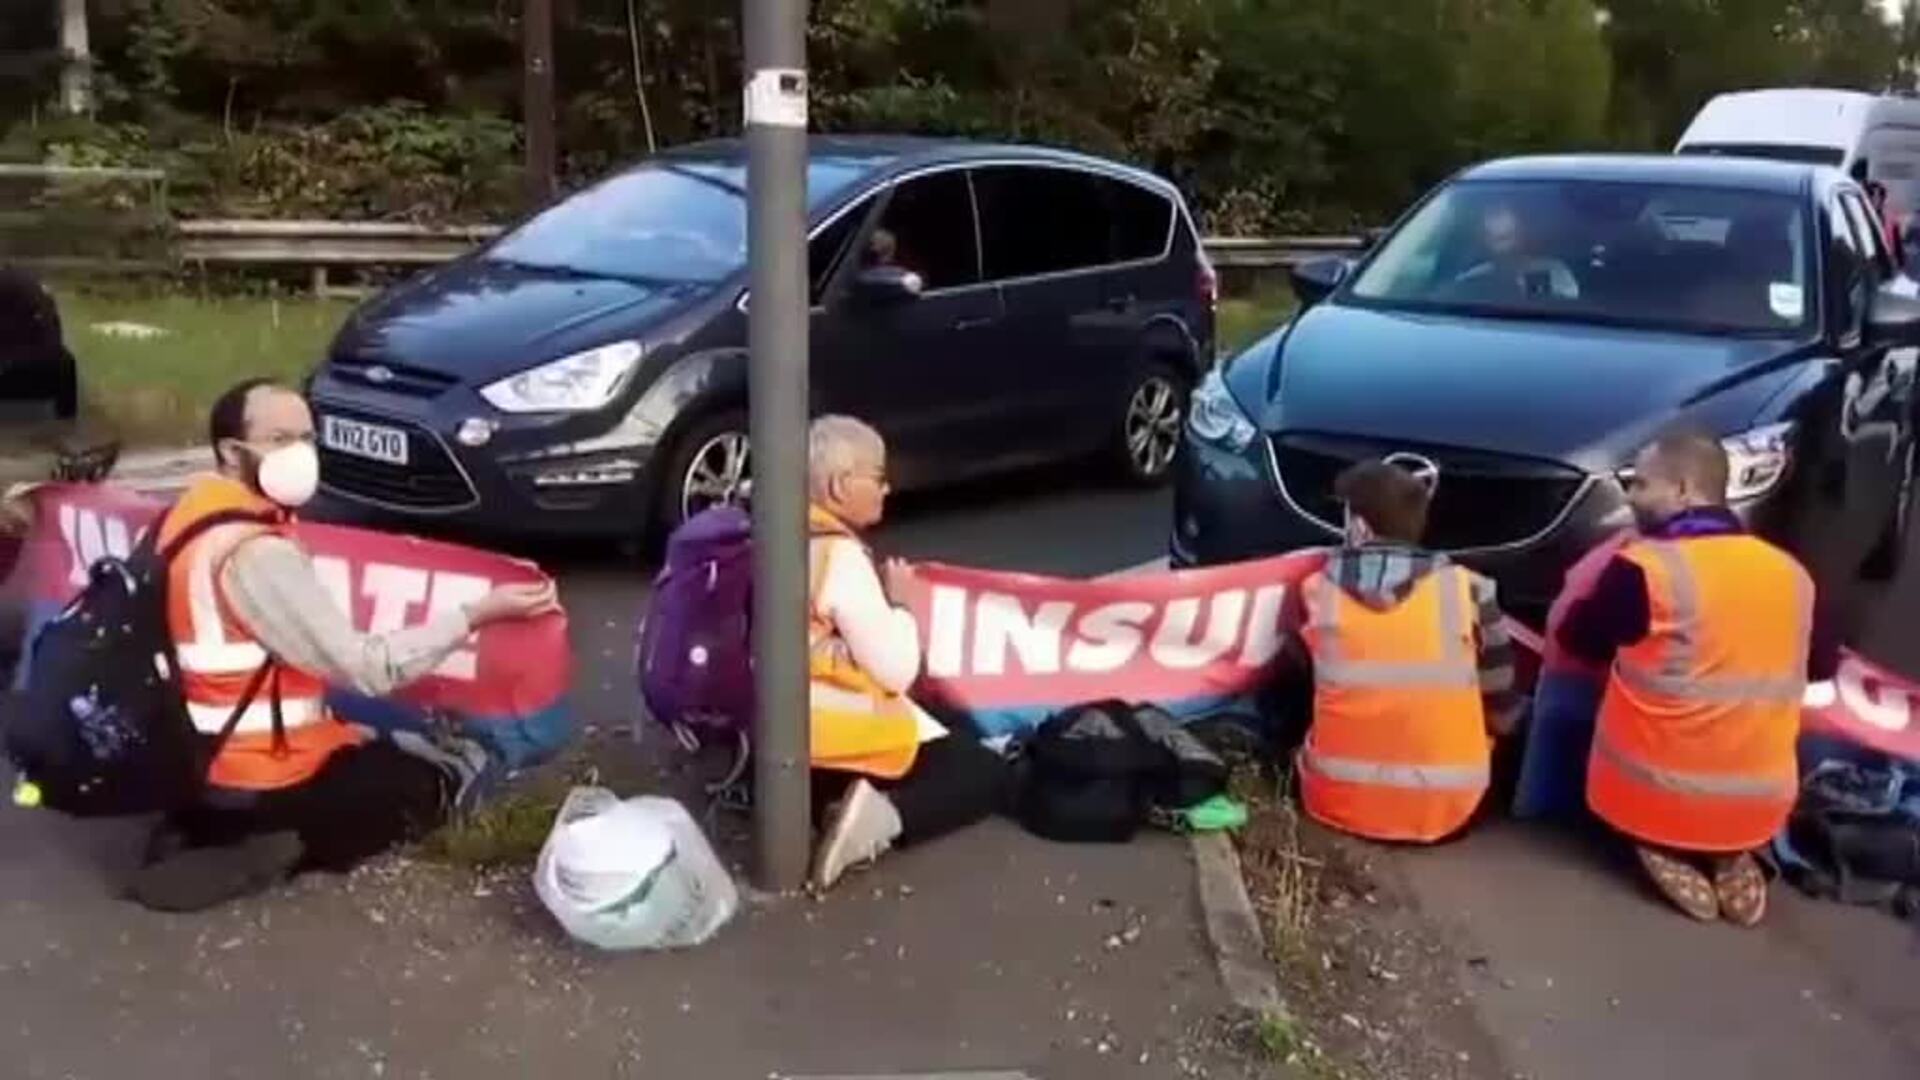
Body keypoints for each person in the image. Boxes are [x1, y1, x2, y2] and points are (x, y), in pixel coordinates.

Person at [128, 378, 559, 911]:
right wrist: (476, 614)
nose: (300, 454)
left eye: (307, 438)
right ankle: (277, 844)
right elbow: (370, 668)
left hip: (192, 758)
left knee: (360, 736)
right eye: (280, 439)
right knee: (426, 780)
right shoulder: (256, 553)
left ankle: (206, 824)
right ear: (232, 452)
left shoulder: (185, 517)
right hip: (259, 771)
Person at [1558, 428, 1838, 926]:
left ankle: (1661, 839)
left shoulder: (1644, 568)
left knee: (1591, 686)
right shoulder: (1792, 574)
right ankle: (1730, 846)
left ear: (1684, 490)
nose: (1630, 496)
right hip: (1760, 802)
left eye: (1641, 484)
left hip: (1647, 794)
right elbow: (1821, 668)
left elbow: (1579, 641)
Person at [804, 414, 1004, 891]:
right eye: (877, 476)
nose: (887, 488)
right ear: (839, 486)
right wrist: (903, 605)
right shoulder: (838, 556)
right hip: (824, 739)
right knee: (985, 772)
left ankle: (838, 804)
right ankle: (878, 822)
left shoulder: (770, 531)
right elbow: (897, 671)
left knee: (949, 724)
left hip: (759, 733)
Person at [1281, 459, 1524, 844]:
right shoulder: (1471, 589)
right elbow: (1502, 708)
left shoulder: (1315, 590)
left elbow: (1300, 683)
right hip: (1450, 809)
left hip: (1337, 801)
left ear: (1360, 527)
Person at [1452, 201, 1579, 301]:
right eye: (1496, 239)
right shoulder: (1472, 279)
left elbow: (1569, 312)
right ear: (1485, 241)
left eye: (1508, 237)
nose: (1506, 247)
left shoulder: (1555, 273)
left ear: (1522, 235)